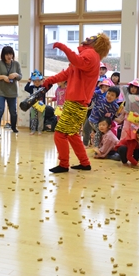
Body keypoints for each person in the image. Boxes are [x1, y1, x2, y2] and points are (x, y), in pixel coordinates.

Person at [42, 32, 111, 173]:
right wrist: (49, 80)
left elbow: (76, 62)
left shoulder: (91, 55)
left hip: (76, 102)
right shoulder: (86, 56)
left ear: (97, 43)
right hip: (76, 102)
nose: (88, 38)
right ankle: (85, 163)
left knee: (60, 133)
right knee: (72, 134)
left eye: (93, 38)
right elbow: (67, 73)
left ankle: (63, 164)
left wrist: (62, 47)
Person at [0, 46, 22, 136]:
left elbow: (20, 77)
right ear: (3, 55)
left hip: (12, 92)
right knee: (0, 110)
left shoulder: (16, 64)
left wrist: (16, 74)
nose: (9, 56)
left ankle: (13, 127)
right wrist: (3, 77)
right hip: (0, 91)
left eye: (11, 54)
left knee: (13, 111)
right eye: (7, 54)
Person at [82, 78, 114, 147]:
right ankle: (85, 144)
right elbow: (92, 94)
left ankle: (98, 146)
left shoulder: (109, 97)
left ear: (109, 88)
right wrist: (99, 90)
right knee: (86, 128)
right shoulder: (98, 94)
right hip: (92, 117)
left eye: (106, 87)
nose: (104, 88)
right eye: (102, 87)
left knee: (99, 132)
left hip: (100, 119)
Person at [24, 70, 47, 135]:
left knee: (41, 118)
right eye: (35, 81)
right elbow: (26, 88)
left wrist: (44, 81)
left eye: (39, 81)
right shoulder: (31, 88)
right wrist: (29, 82)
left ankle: (40, 130)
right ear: (33, 82)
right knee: (33, 118)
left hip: (41, 106)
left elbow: (49, 86)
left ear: (41, 81)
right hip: (33, 106)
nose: (37, 83)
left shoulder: (43, 88)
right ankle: (33, 130)